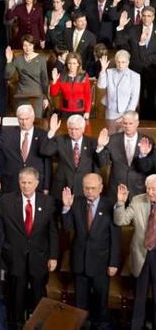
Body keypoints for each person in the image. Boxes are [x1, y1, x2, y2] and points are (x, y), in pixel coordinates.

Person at [0, 168, 58, 328]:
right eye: (23, 182)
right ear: (19, 183)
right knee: (16, 295)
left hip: (39, 257)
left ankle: (39, 324)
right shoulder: (6, 201)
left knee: (39, 294)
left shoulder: (48, 202)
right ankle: (16, 323)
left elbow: (52, 232)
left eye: (30, 182)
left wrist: (53, 256)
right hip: (15, 257)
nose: (26, 186)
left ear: (37, 183)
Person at [62, 173, 120, 328]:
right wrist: (67, 207)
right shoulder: (76, 202)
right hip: (80, 261)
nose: (89, 191)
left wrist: (113, 263)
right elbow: (67, 227)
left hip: (102, 263)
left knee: (101, 302)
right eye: (86, 188)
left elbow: (115, 237)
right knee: (81, 303)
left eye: (93, 188)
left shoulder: (110, 205)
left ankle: (100, 326)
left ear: (101, 188)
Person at [114, 176, 156, 330]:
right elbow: (121, 221)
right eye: (148, 188)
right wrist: (120, 203)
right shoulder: (138, 200)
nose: (150, 192)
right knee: (139, 297)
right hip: (141, 254)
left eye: (154, 189)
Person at [0, 105, 52, 193]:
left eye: (27, 119)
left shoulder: (43, 135)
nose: (24, 122)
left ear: (33, 118)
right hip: (12, 183)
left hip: (35, 184)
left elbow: (47, 162)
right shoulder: (8, 134)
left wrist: (46, 187)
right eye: (21, 119)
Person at [40, 113, 98, 201]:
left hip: (83, 188)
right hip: (62, 187)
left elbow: (100, 163)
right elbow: (45, 151)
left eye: (76, 129)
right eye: (71, 129)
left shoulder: (92, 142)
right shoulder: (60, 140)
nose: (73, 132)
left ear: (83, 129)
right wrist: (52, 131)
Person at [96, 111, 150, 199]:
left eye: (130, 123)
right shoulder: (113, 139)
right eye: (125, 123)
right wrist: (100, 147)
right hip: (116, 190)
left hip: (138, 190)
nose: (127, 126)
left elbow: (149, 168)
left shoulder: (147, 141)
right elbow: (102, 164)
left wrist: (143, 156)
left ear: (137, 123)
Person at [4, 35, 49, 118]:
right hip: (22, 95)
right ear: (22, 46)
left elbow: (44, 80)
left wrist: (45, 97)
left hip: (37, 95)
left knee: (37, 122)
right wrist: (9, 61)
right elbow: (8, 75)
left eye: (30, 45)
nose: (27, 48)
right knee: (23, 120)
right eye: (25, 45)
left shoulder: (41, 59)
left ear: (33, 46)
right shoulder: (18, 59)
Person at [97, 50, 141, 120]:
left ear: (128, 63)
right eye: (118, 62)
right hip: (110, 111)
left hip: (125, 112)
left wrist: (126, 116)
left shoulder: (135, 76)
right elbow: (101, 85)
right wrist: (103, 70)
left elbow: (134, 99)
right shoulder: (109, 72)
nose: (120, 65)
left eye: (123, 62)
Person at [50, 52, 91, 119]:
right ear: (66, 64)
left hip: (80, 110)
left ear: (78, 64)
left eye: (74, 63)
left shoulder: (84, 76)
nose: (71, 66)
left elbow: (87, 96)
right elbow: (53, 93)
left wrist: (87, 111)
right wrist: (54, 81)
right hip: (65, 110)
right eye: (69, 63)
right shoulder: (61, 76)